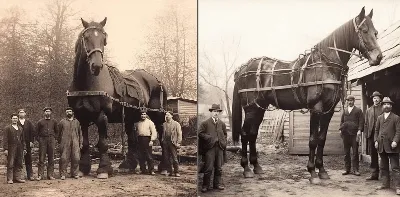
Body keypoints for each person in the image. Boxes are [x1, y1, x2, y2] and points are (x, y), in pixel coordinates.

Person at [199, 104, 227, 193]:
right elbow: (200, 133)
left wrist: (223, 141)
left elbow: (225, 134)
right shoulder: (205, 123)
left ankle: (217, 184)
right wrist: (209, 138)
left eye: (217, 111)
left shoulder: (222, 124)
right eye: (214, 111)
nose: (216, 113)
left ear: (219, 113)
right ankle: (205, 185)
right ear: (211, 112)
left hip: (219, 148)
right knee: (208, 168)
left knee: (219, 167)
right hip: (209, 148)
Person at [374, 97, 400, 195]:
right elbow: (376, 130)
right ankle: (385, 184)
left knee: (395, 168)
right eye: (384, 104)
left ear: (391, 106)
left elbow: (398, 131)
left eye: (388, 104)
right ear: (382, 106)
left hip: (392, 146)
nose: (386, 106)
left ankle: (398, 187)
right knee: (383, 166)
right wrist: (376, 140)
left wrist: (395, 141)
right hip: (382, 146)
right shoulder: (380, 118)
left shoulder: (396, 118)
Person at [339, 95, 364, 176]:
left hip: (354, 134)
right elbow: (342, 121)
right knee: (346, 153)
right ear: (347, 101)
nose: (350, 102)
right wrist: (340, 130)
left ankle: (355, 169)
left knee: (355, 153)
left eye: (351, 100)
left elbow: (361, 121)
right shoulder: (345, 111)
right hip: (345, 134)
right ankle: (347, 169)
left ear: (354, 101)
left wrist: (359, 130)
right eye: (348, 100)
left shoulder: (358, 110)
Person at [58, 107, 83, 180]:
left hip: (75, 142)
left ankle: (74, 173)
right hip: (65, 142)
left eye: (69, 111)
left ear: (72, 113)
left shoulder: (77, 122)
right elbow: (58, 133)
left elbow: (80, 133)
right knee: (64, 158)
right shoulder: (62, 122)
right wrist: (60, 143)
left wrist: (80, 143)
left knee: (76, 158)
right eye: (67, 112)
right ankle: (63, 174)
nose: (68, 113)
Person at [364, 91, 383, 180]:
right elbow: (366, 123)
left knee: (383, 154)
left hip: (381, 134)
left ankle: (383, 174)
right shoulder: (369, 110)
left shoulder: (383, 109)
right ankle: (374, 174)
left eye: (377, 98)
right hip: (372, 135)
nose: (375, 100)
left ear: (380, 99)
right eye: (374, 98)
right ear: (372, 99)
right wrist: (367, 134)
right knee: (373, 155)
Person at [36, 107, 58, 181]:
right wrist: (40, 140)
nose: (47, 113)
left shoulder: (54, 121)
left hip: (51, 140)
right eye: (46, 111)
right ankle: (40, 175)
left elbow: (57, 131)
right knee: (41, 158)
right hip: (43, 140)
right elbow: (36, 132)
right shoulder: (40, 122)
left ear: (51, 113)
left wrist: (54, 138)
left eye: (49, 111)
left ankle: (50, 175)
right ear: (44, 113)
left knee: (51, 158)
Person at [3, 113, 26, 184]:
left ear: (17, 119)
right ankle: (10, 179)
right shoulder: (7, 128)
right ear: (11, 119)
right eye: (13, 118)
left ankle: (17, 178)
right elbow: (5, 139)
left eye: (16, 118)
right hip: (11, 147)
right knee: (11, 162)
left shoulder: (20, 128)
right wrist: (6, 149)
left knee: (19, 162)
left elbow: (23, 139)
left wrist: (24, 148)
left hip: (19, 147)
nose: (15, 120)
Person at [135, 109, 157, 175]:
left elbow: (154, 132)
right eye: (142, 114)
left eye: (144, 114)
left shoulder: (150, 122)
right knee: (141, 156)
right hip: (140, 139)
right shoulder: (138, 123)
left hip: (147, 139)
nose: (143, 116)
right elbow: (136, 132)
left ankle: (151, 170)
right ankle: (143, 170)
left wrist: (152, 140)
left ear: (146, 115)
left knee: (149, 155)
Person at [160, 111, 182, 177]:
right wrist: (163, 140)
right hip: (165, 143)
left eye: (168, 115)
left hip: (173, 143)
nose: (167, 116)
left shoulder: (176, 124)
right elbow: (163, 134)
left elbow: (179, 134)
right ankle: (170, 171)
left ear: (172, 116)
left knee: (174, 158)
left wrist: (178, 142)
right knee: (166, 158)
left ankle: (176, 172)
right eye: (166, 115)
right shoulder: (164, 124)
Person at [17, 109, 36, 181]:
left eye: (23, 112)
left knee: (28, 159)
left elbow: (33, 132)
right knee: (19, 159)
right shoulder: (16, 122)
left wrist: (31, 141)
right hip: (19, 143)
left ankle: (30, 175)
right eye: (20, 112)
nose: (21, 114)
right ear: (18, 114)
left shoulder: (28, 122)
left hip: (27, 143)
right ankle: (19, 176)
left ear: (25, 114)